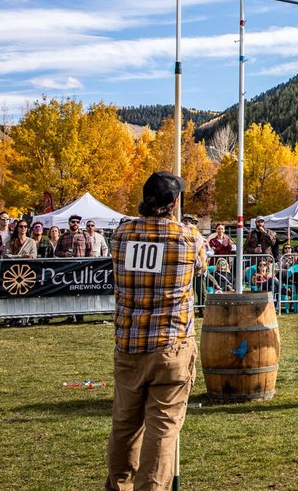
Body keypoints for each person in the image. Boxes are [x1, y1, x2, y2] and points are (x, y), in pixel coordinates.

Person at [105, 171, 206, 491]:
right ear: (174, 204)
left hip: (130, 343)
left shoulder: (121, 235)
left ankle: (119, 486)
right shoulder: (189, 238)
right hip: (171, 345)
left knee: (125, 425)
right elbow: (201, 267)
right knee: (162, 430)